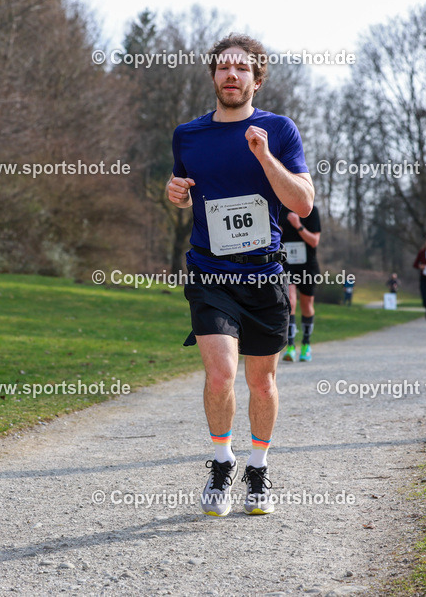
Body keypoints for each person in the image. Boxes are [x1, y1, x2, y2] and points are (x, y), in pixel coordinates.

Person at [166, 33, 314, 517]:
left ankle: (258, 468)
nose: (232, 75)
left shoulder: (279, 129)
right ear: (213, 75)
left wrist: (264, 156)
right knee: (220, 374)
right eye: (224, 68)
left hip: (263, 275)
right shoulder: (188, 135)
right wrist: (175, 193)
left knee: (263, 382)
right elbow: (186, 195)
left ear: (256, 77)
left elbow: (302, 203)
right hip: (210, 271)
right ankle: (221, 461)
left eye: (242, 69)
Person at [280, 205, 321, 362]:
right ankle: (290, 346)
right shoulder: (279, 209)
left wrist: (299, 225)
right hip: (286, 263)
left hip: (307, 265)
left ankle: (306, 344)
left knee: (307, 305)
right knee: (290, 301)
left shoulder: (311, 210)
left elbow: (314, 241)